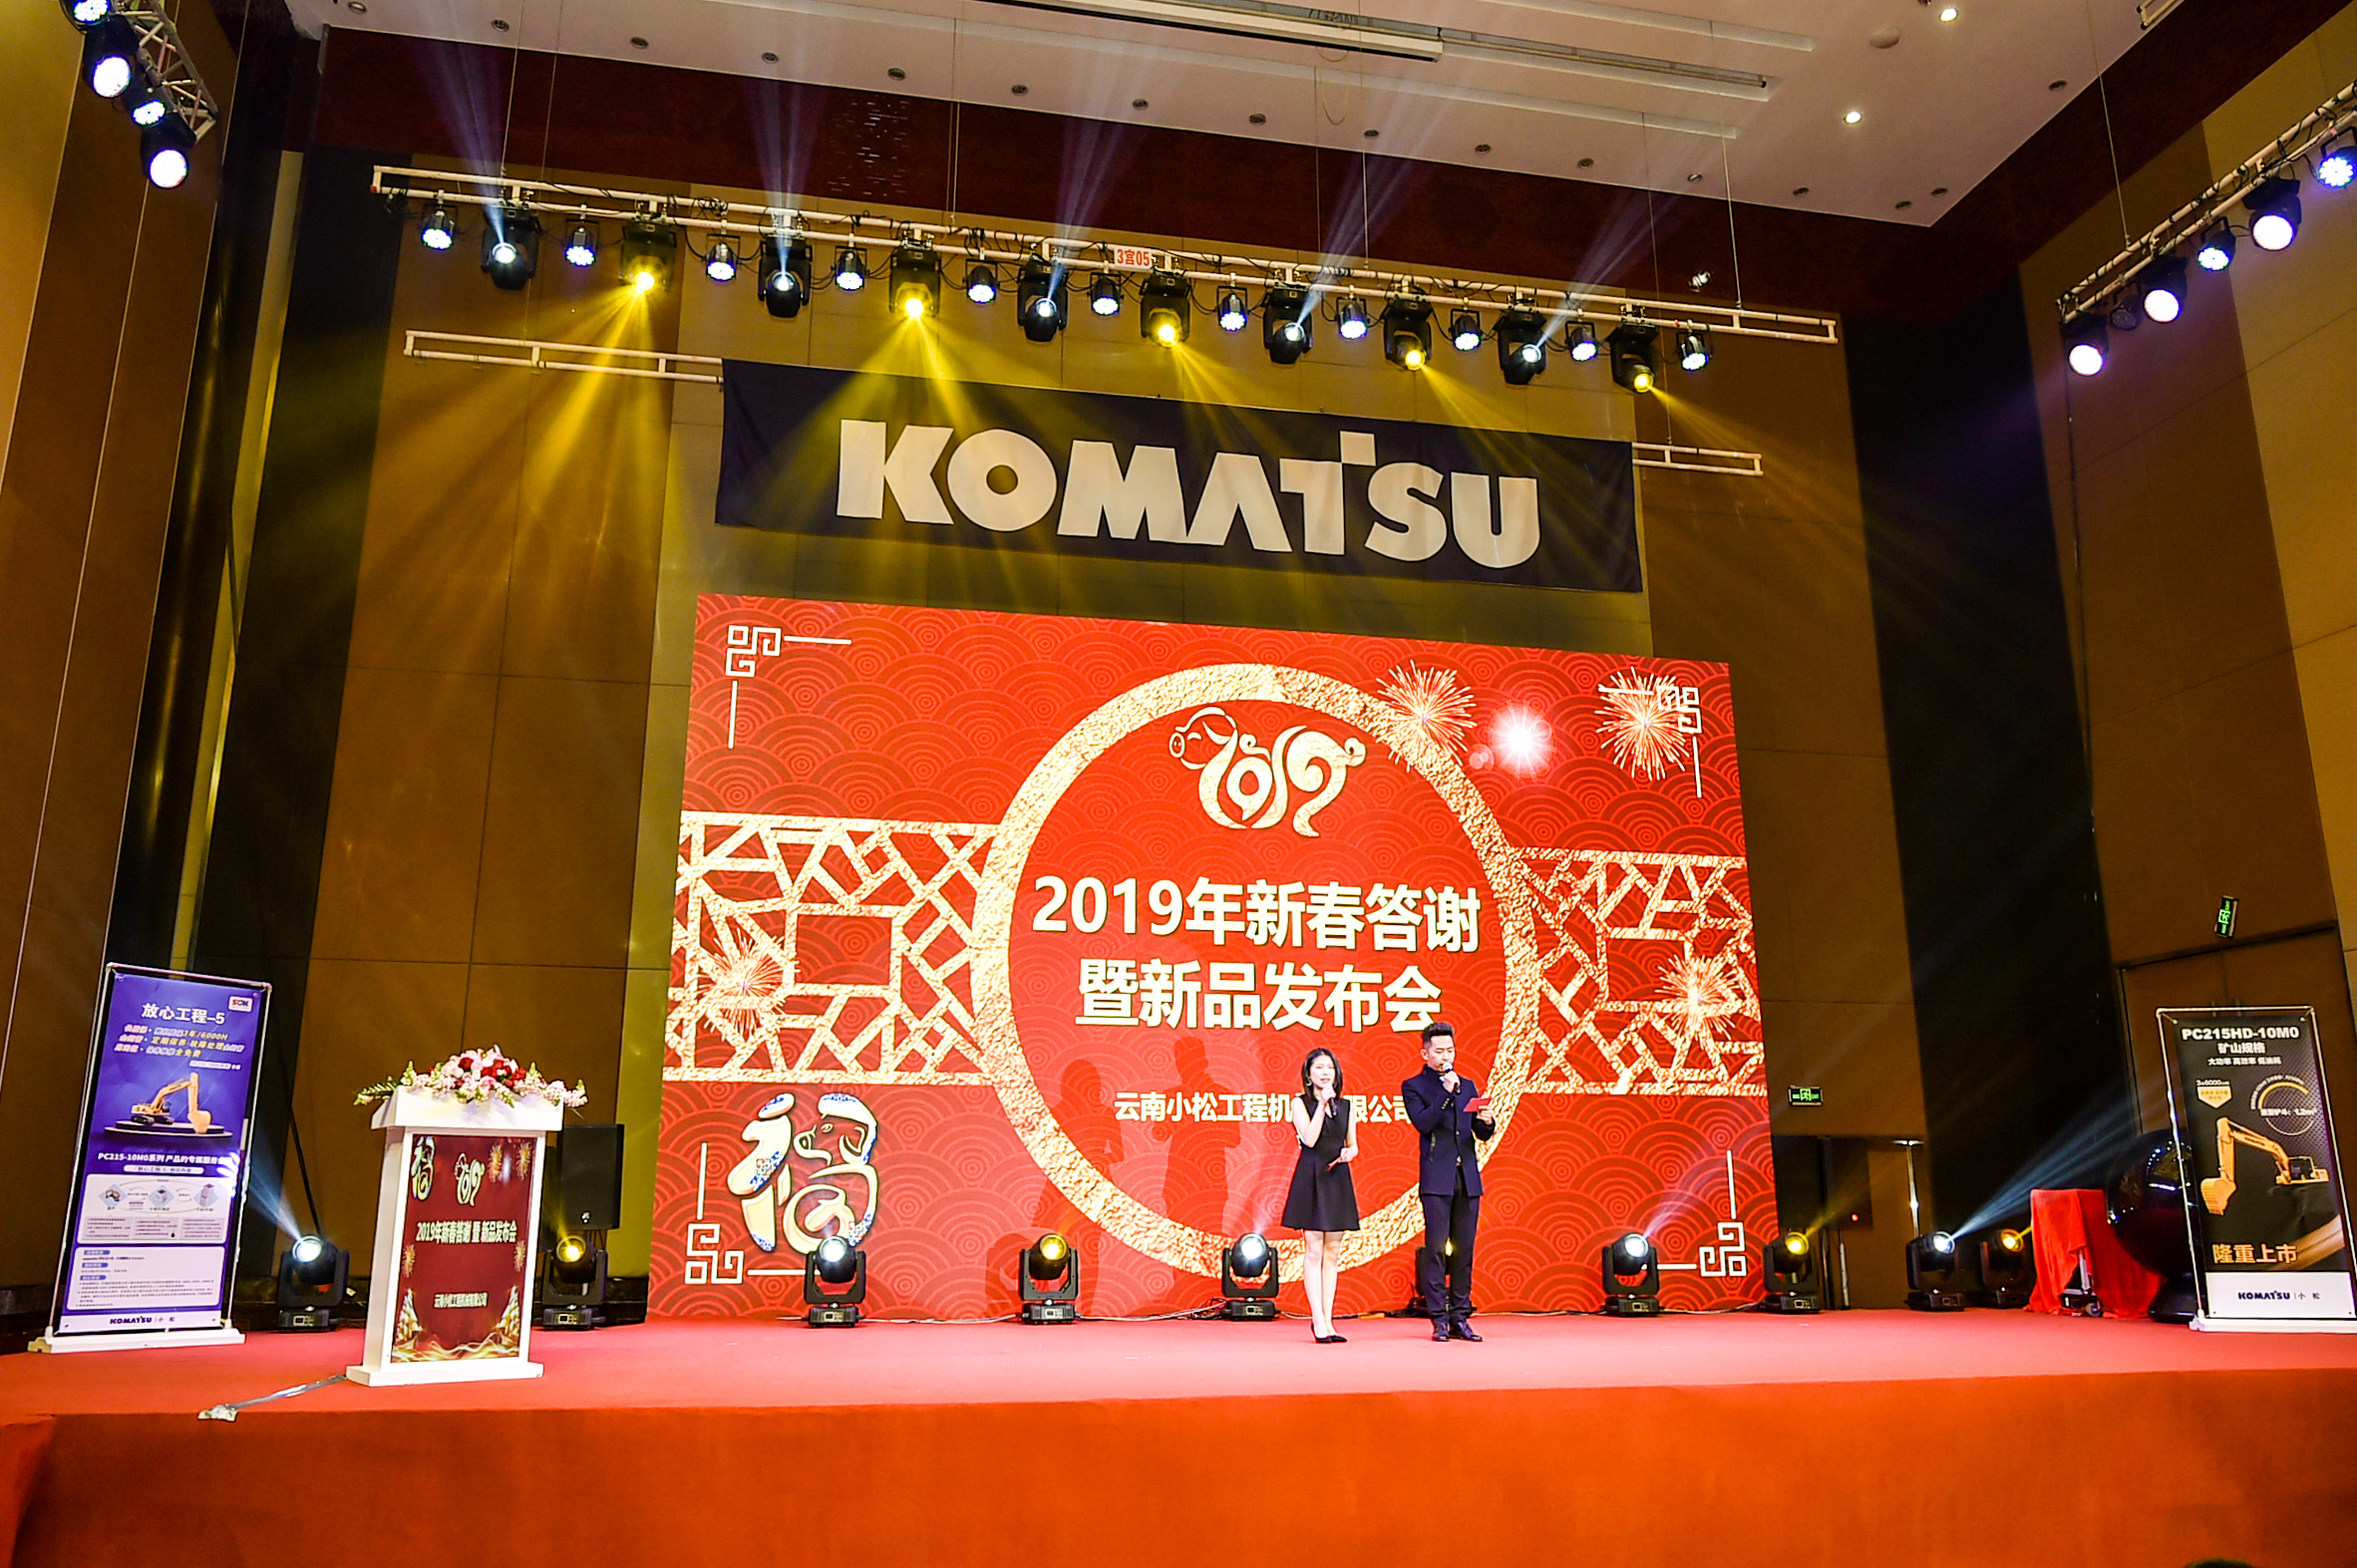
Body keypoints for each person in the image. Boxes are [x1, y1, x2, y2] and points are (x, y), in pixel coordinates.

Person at [1401, 1019, 1495, 1342]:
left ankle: (1460, 1316)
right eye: (1439, 1051)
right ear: (1425, 1054)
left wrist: (1487, 1121)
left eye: (1450, 1050)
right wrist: (1444, 1094)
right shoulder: (1414, 1086)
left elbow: (1480, 1132)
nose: (1445, 1056)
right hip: (1436, 1179)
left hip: (1466, 1177)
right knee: (1437, 1250)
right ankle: (1438, 1318)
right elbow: (1423, 1123)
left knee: (1464, 1250)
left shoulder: (1467, 1085)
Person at [1280, 1047, 1359, 1344]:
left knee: (1332, 1251)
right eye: (1319, 1068)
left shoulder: (1347, 1106)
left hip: (1337, 1177)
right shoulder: (1299, 1103)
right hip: (1312, 1177)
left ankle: (1329, 1320)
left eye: (1330, 1068)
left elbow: (1352, 1143)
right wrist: (1322, 1105)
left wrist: (1351, 1152)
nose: (1325, 1073)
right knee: (1314, 1250)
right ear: (1308, 1074)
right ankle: (1317, 1321)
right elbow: (1310, 1139)